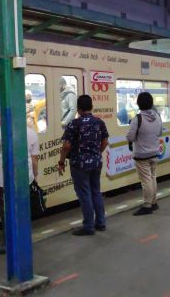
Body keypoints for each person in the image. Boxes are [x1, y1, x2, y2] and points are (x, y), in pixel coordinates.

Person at [0, 123, 39, 254]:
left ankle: (8, 244)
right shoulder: (31, 133)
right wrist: (35, 176)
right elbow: (34, 159)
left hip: (5, 181)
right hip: (26, 179)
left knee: (6, 213)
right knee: (23, 211)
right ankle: (24, 241)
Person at [58, 95, 109, 235]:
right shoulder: (99, 122)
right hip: (96, 162)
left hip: (79, 164)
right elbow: (105, 142)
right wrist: (96, 154)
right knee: (96, 191)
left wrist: (61, 162)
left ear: (79, 109)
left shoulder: (74, 124)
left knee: (84, 194)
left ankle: (88, 226)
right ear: (91, 107)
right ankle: (101, 223)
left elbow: (66, 146)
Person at [127, 92, 163, 216]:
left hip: (142, 154)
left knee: (146, 180)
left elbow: (130, 136)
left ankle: (147, 205)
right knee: (153, 177)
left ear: (138, 104)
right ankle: (154, 202)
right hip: (154, 152)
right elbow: (159, 133)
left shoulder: (137, 118)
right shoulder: (157, 116)